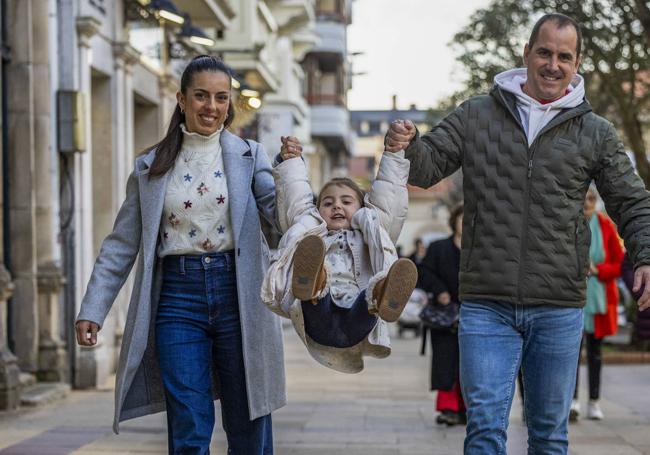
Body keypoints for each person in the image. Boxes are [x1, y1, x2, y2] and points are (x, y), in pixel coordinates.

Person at [385, 13, 650, 454]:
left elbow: (632, 201)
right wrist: (408, 142)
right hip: (487, 303)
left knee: (549, 435)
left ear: (576, 62)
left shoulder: (596, 132)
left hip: (558, 306)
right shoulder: (477, 114)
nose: (553, 64)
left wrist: (645, 255)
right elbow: (428, 165)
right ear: (526, 53)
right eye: (544, 52)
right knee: (485, 429)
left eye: (564, 56)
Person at [74, 55, 285, 454]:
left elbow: (281, 217)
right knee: (188, 422)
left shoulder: (250, 156)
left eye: (221, 98)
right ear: (181, 99)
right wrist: (92, 309)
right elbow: (121, 244)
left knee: (249, 418)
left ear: (230, 104)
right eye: (201, 96)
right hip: (177, 300)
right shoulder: (151, 166)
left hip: (239, 294)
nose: (212, 106)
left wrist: (291, 172)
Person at [261, 135, 417, 373]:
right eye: (327, 203)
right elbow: (296, 199)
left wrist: (394, 154)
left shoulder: (372, 229)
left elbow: (389, 198)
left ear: (362, 208)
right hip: (318, 318)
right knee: (314, 289)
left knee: (368, 299)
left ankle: (383, 294)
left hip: (357, 319)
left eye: (346, 201)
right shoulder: (310, 228)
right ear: (317, 209)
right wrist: (291, 160)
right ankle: (314, 281)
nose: (336, 206)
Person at [570, 188, 623, 422]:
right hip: (572, 296)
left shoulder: (606, 226)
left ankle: (593, 401)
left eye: (591, 199)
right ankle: (572, 401)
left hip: (599, 299)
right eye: (583, 199)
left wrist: (597, 269)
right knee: (571, 354)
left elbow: (617, 263)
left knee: (595, 354)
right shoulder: (569, 221)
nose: (587, 203)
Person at [418, 203, 466, 426]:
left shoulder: (482, 251)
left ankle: (468, 408)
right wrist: (440, 291)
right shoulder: (438, 248)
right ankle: (448, 408)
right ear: (454, 221)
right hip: (444, 316)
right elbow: (423, 272)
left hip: (474, 313)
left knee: (471, 363)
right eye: (462, 219)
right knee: (446, 361)